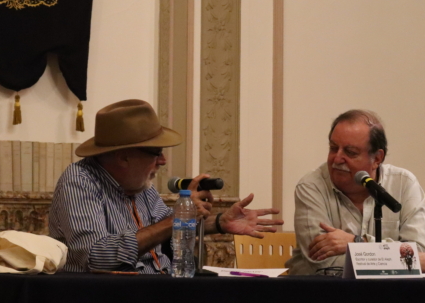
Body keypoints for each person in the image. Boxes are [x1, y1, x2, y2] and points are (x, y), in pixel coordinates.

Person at [49, 99, 283, 273]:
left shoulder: (142, 185)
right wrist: (177, 217)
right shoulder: (80, 180)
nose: (163, 161)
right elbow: (97, 257)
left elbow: (167, 228)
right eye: (156, 152)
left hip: (159, 294)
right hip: (106, 302)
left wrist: (219, 223)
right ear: (123, 157)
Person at [286, 109, 425, 275]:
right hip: (325, 290)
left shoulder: (404, 184)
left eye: (350, 152)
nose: (337, 158)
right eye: (333, 148)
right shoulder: (311, 186)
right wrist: (398, 260)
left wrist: (356, 242)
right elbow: (324, 264)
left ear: (377, 159)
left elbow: (422, 254)